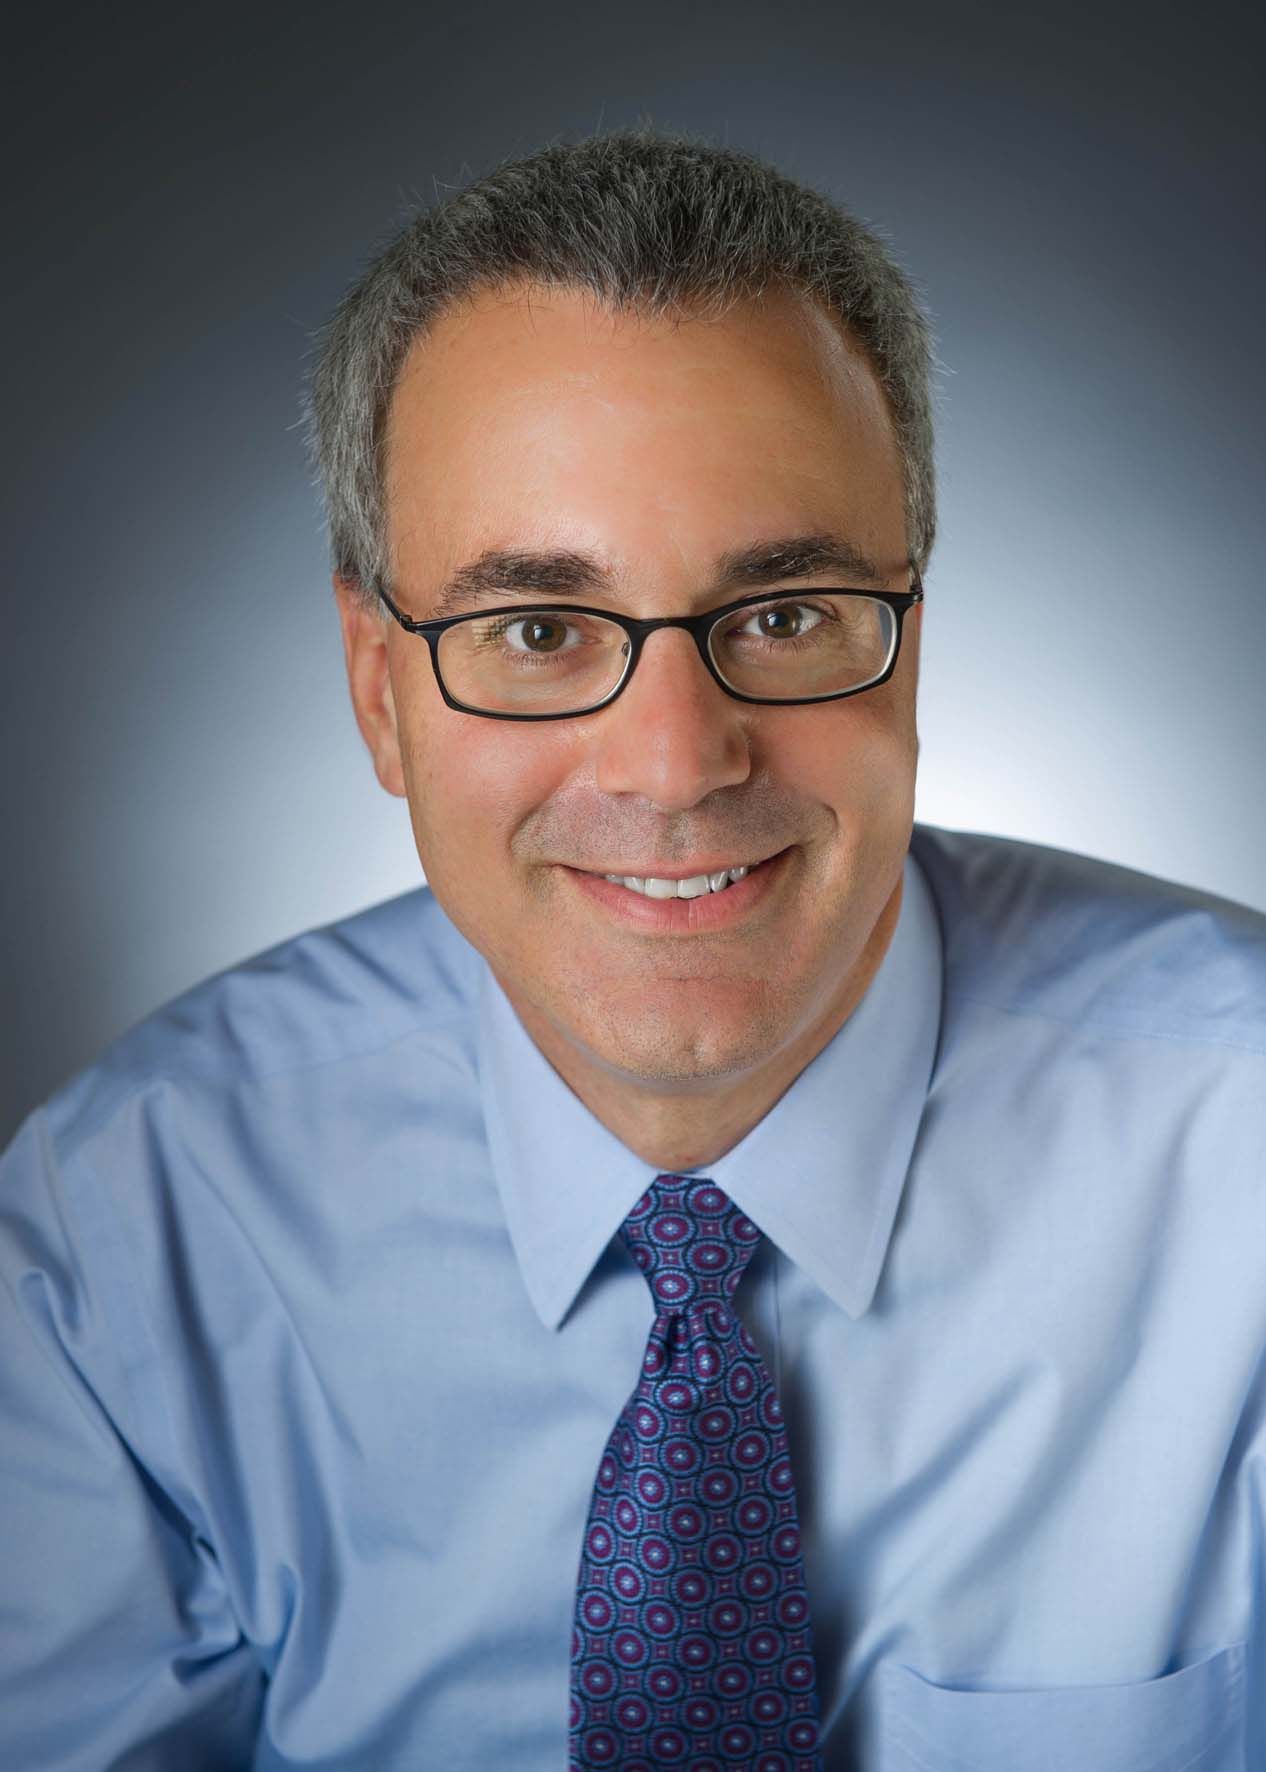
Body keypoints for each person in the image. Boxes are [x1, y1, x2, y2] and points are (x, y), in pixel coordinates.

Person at [1, 126, 1262, 1772]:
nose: (674, 765)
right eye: (536, 629)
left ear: (909, 647)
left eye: (784, 616)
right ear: (379, 691)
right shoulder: (124, 1239)